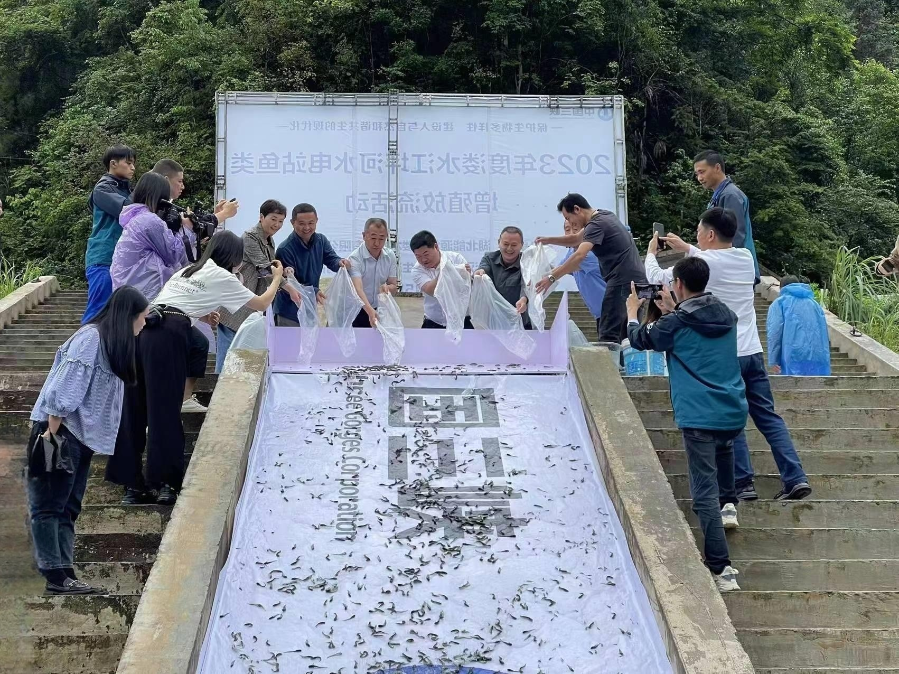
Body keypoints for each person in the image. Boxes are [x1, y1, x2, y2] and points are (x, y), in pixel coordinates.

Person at [106, 232, 285, 506]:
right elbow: (261, 304)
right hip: (169, 334)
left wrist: (203, 314)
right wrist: (276, 279)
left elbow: (173, 302)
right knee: (164, 409)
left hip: (143, 329)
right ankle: (165, 484)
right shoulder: (223, 276)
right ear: (233, 257)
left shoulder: (188, 270)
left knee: (135, 408)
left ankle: (131, 486)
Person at [646, 207, 812, 501]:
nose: (697, 236)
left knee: (731, 418)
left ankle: (744, 483)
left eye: (699, 231)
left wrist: (650, 253)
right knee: (768, 417)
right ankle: (795, 477)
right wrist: (688, 248)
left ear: (710, 234)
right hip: (753, 351)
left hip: (724, 353)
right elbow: (714, 258)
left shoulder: (703, 261)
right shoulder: (746, 258)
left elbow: (659, 277)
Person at [626, 257, 747, 592]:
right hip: (732, 408)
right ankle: (730, 504)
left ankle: (722, 569)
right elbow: (694, 327)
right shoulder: (726, 315)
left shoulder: (675, 323)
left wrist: (632, 311)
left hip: (698, 415)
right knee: (724, 452)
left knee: (703, 494)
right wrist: (672, 310)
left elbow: (640, 339)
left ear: (677, 284)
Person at [29, 287, 150, 594]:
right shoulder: (91, 338)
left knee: (68, 506)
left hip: (77, 436)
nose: (144, 323)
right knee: (49, 506)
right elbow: (65, 386)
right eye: (142, 317)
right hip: (58, 431)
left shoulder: (109, 344)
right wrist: (51, 435)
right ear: (128, 316)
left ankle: (65, 572)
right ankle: (54, 575)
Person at [535, 193, 646, 343]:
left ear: (577, 209)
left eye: (568, 218)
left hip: (622, 281)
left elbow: (579, 255)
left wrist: (551, 278)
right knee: (626, 334)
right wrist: (547, 240)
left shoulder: (596, 225)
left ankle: (609, 359)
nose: (570, 223)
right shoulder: (605, 215)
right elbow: (575, 239)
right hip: (634, 281)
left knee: (608, 334)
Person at [216, 200, 301, 372]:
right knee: (227, 357)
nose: (277, 225)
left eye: (280, 221)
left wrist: (284, 272)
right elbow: (265, 268)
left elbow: (271, 267)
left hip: (252, 306)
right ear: (262, 217)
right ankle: (218, 386)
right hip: (236, 305)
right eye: (273, 219)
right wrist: (290, 289)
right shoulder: (250, 236)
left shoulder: (269, 240)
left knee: (243, 358)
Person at [110, 172, 186, 301]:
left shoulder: (135, 217)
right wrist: (187, 229)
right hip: (144, 296)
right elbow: (174, 255)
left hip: (130, 294)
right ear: (160, 197)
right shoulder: (150, 221)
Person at [82, 145, 135, 324]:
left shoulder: (127, 190)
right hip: (104, 258)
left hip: (122, 260)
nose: (133, 168)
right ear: (113, 164)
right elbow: (128, 211)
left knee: (121, 316)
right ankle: (84, 342)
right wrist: (146, 188)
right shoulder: (102, 189)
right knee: (98, 312)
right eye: (128, 163)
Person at [273, 203, 349, 326]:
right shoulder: (285, 249)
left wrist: (340, 262)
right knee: (290, 339)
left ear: (316, 221)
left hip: (310, 308)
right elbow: (289, 283)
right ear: (292, 223)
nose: (307, 227)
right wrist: (314, 291)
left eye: (311, 223)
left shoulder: (321, 240)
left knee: (311, 338)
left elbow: (331, 259)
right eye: (301, 223)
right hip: (288, 311)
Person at [151, 158, 240, 262]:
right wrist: (224, 214)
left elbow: (194, 233)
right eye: (180, 181)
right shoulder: (160, 210)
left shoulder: (161, 206)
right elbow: (175, 249)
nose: (183, 186)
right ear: (166, 180)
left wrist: (216, 216)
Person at [693, 150, 760, 283]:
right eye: (697, 174)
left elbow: (735, 236)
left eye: (702, 172)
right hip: (730, 268)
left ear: (717, 168)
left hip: (735, 271)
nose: (699, 178)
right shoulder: (721, 195)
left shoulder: (730, 196)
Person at [767, 276, 831, 376]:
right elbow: (823, 331)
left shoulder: (780, 303)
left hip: (792, 355)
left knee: (793, 383)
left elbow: (775, 332)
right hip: (817, 355)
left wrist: (774, 359)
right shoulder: (814, 304)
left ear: (781, 287)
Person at [410, 230, 474, 330]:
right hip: (434, 321)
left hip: (461, 319)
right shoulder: (417, 270)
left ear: (436, 247)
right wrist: (446, 271)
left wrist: (468, 276)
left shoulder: (456, 258)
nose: (423, 260)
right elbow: (431, 290)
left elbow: (467, 287)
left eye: (426, 254)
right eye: (418, 256)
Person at [474, 226, 531, 329]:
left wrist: (524, 299)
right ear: (499, 242)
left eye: (514, 245)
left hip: (519, 323)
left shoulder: (527, 262)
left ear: (521, 245)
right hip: (492, 323)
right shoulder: (489, 258)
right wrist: (480, 272)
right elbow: (484, 268)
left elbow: (527, 284)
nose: (509, 248)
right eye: (505, 244)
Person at [347, 218, 398, 328]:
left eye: (381, 239)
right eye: (373, 238)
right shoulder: (355, 258)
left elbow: (394, 285)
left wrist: (387, 288)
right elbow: (358, 289)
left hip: (380, 308)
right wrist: (370, 311)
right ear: (364, 236)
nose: (377, 243)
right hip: (358, 309)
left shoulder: (390, 256)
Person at [559, 219, 607, 332]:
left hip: (614, 311)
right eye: (567, 230)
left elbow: (560, 270)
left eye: (575, 229)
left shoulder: (588, 253)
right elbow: (557, 269)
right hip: (601, 313)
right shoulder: (572, 252)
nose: (571, 234)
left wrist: (543, 278)